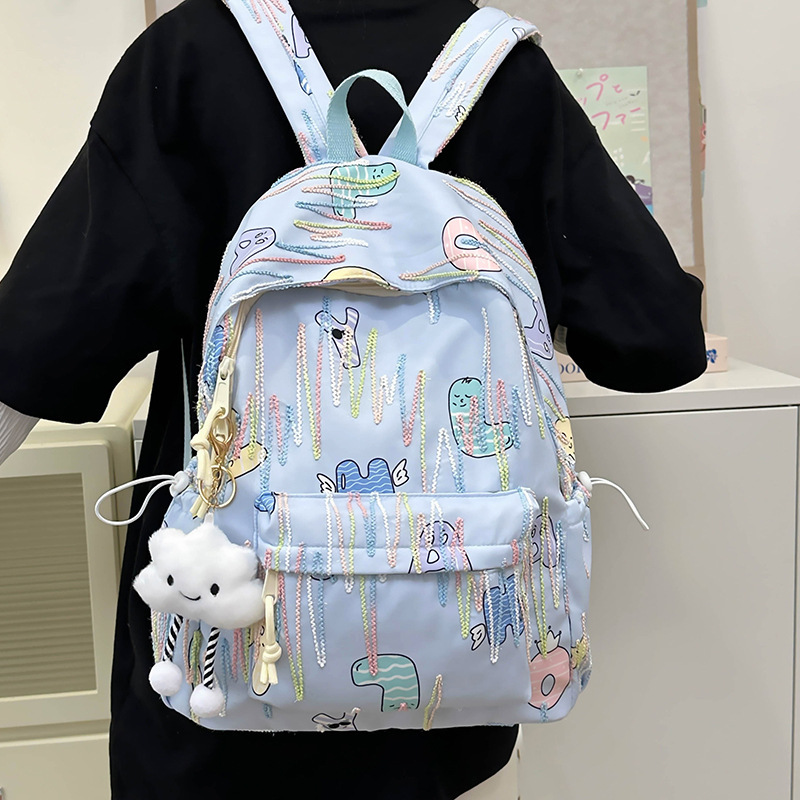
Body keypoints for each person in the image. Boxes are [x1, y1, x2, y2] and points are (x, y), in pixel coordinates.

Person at [0, 0, 706, 797]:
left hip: (224, 658)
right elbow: (656, 343)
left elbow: (35, 348)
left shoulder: (190, 56)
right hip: (455, 696)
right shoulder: (506, 73)